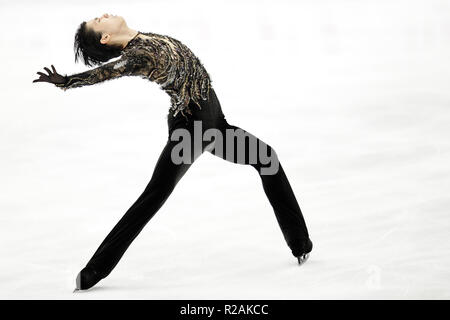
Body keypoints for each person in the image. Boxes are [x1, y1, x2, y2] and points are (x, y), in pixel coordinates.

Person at [33, 13, 313, 291]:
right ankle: (95, 269)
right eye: (97, 20)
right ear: (105, 37)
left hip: (215, 127)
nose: (103, 14)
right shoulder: (137, 54)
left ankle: (300, 244)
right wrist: (68, 81)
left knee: (267, 159)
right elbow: (108, 71)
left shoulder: (143, 37)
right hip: (190, 133)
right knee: (155, 194)